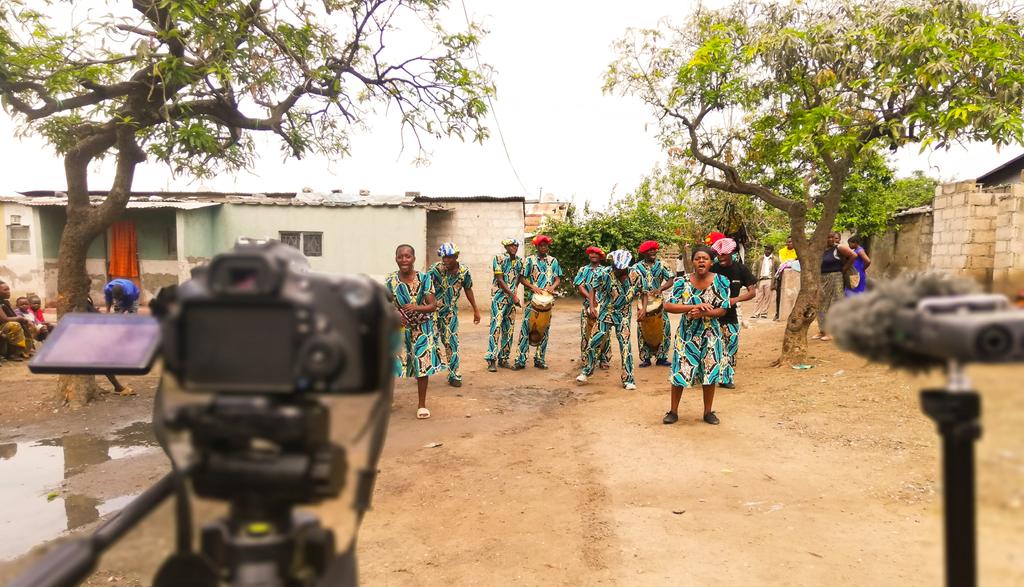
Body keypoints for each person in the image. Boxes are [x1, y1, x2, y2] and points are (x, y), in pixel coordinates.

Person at [663, 247, 731, 426]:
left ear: (711, 262)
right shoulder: (682, 282)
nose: (701, 261)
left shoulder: (721, 281)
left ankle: (708, 412)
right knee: (680, 371)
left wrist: (703, 314)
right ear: (692, 262)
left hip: (711, 335)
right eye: (698, 258)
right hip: (687, 335)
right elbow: (668, 306)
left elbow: (723, 309)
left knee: (710, 371)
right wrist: (692, 307)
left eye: (705, 258)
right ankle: (673, 411)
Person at [385, 244, 445, 419]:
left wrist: (416, 307)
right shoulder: (390, 281)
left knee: (422, 363)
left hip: (422, 329)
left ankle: (421, 405)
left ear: (414, 258)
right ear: (396, 258)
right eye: (400, 256)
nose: (404, 260)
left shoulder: (425, 278)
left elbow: (433, 305)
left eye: (408, 256)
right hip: (398, 327)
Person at [576, 250, 646, 390]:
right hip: (606, 311)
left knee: (625, 346)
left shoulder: (636, 275)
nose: (618, 269)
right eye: (616, 266)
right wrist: (592, 306)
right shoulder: (604, 273)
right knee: (595, 340)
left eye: (621, 267)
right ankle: (586, 371)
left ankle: (628, 380)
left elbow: (644, 292)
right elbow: (592, 290)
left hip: (624, 313)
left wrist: (643, 309)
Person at [429, 243, 481, 388]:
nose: (445, 260)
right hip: (432, 312)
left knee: (451, 343)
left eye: (449, 257)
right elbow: (425, 288)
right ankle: (424, 370)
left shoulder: (464, 271)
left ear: (456, 257)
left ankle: (454, 374)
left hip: (450, 313)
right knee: (430, 341)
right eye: (444, 257)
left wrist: (475, 310)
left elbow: (468, 289)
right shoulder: (435, 270)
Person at [709, 238, 756, 389]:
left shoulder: (741, 269)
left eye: (724, 255)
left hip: (731, 316)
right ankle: (708, 377)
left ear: (732, 253)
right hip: (712, 315)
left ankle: (726, 378)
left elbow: (752, 292)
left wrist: (735, 299)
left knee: (731, 348)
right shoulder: (713, 268)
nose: (721, 258)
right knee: (711, 348)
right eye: (718, 255)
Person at [513, 234, 563, 370]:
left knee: (544, 330)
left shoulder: (553, 261)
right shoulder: (530, 260)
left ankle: (540, 359)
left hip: (547, 302)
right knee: (525, 329)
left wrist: (552, 287)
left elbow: (558, 278)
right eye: (541, 245)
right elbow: (522, 278)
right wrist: (533, 287)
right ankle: (520, 359)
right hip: (532, 301)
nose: (543, 247)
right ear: (536, 246)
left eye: (545, 245)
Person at [632, 240, 674, 367]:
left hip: (659, 301)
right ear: (644, 252)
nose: (653, 252)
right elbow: (632, 283)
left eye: (654, 249)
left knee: (664, 327)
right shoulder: (636, 267)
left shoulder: (662, 265)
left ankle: (662, 357)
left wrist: (660, 289)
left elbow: (671, 279)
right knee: (642, 329)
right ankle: (646, 357)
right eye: (650, 250)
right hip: (642, 302)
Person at [485, 238, 524, 372]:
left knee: (509, 329)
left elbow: (519, 277)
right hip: (499, 298)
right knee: (495, 328)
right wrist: (513, 295)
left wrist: (515, 289)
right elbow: (500, 280)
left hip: (510, 301)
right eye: (511, 246)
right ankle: (491, 359)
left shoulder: (519, 261)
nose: (514, 247)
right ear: (506, 247)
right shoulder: (499, 258)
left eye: (516, 245)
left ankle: (503, 358)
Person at [573, 246, 611, 369]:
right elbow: (579, 285)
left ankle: (603, 359)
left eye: (596, 254)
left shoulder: (605, 270)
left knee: (605, 333)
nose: (593, 256)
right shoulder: (583, 270)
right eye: (591, 254)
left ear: (600, 257)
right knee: (586, 332)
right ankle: (586, 359)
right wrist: (591, 300)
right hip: (587, 306)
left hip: (603, 306)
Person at [816, 232, 857, 341]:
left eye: (832, 237)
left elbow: (854, 255)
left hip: (836, 278)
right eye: (827, 237)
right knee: (821, 304)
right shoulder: (820, 250)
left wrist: (844, 268)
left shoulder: (838, 248)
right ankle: (822, 330)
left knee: (835, 303)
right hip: (822, 278)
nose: (830, 239)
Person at [0, 281, 32, 361]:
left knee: (24, 324)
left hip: (3, 326)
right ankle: (12, 354)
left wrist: (24, 320)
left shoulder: (5, 302)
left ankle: (25, 350)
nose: (8, 292)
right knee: (14, 325)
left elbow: (13, 316)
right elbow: (4, 319)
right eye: (5, 290)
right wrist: (21, 318)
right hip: (2, 326)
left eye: (9, 289)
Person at [774, 236, 798, 321]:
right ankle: (777, 313)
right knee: (779, 295)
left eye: (791, 242)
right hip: (782, 276)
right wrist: (791, 261)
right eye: (788, 242)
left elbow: (795, 261)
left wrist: (791, 261)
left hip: (795, 276)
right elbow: (784, 261)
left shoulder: (797, 251)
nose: (789, 243)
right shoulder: (782, 251)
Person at [751, 245, 777, 319]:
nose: (766, 251)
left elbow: (778, 270)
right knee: (758, 297)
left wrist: (775, 282)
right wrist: (754, 279)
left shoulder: (775, 259)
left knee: (767, 297)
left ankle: (764, 313)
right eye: (765, 249)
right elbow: (755, 269)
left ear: (771, 250)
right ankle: (756, 313)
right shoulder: (760, 259)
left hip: (769, 279)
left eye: (768, 249)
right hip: (760, 280)